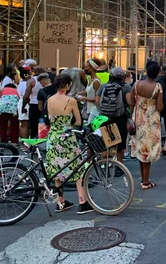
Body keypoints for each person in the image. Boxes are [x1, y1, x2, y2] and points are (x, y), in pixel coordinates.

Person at [45, 74, 93, 215]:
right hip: (66, 137)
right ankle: (82, 201)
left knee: (57, 170)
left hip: (53, 138)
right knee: (77, 168)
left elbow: (49, 119)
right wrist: (69, 123)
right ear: (67, 85)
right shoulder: (71, 101)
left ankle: (61, 201)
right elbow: (78, 122)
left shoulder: (49, 100)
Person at [128, 62, 163, 189]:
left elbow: (131, 102)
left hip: (138, 118)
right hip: (151, 120)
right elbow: (159, 107)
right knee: (148, 151)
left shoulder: (137, 84)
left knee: (140, 149)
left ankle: (144, 179)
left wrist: (131, 116)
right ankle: (146, 181)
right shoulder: (157, 87)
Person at [96, 66, 132, 167]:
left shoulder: (104, 86)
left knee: (108, 141)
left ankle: (106, 164)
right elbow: (129, 102)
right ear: (122, 76)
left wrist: (103, 110)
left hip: (106, 118)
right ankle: (119, 166)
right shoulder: (126, 87)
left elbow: (97, 101)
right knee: (120, 144)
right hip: (120, 117)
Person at [22, 65, 43, 139]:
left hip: (34, 104)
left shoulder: (31, 81)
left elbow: (26, 95)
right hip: (45, 105)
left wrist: (23, 106)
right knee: (44, 125)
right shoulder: (47, 80)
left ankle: (34, 144)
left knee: (33, 125)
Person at [78, 59, 101, 124]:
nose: (85, 69)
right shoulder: (89, 79)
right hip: (88, 109)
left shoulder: (96, 82)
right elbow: (90, 91)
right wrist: (83, 93)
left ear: (92, 68)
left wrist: (84, 98)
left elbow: (97, 98)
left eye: (86, 67)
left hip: (94, 110)